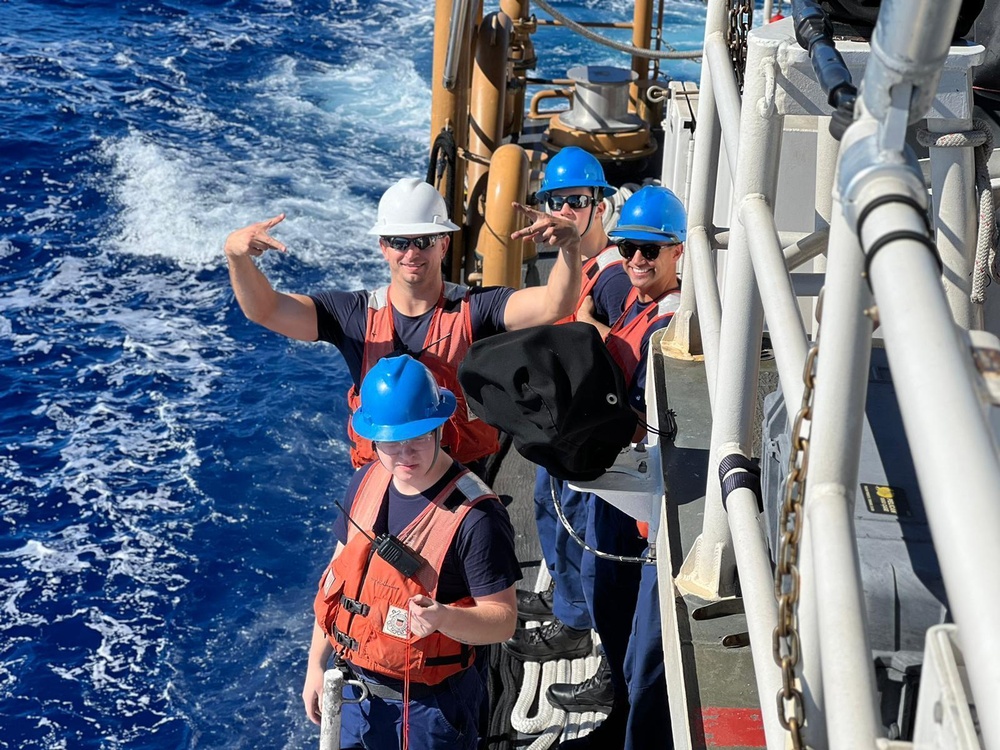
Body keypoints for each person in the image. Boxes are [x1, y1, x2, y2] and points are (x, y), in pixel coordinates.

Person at [223, 177, 583, 477]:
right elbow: (266, 310)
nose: (411, 253)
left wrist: (569, 248)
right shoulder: (353, 315)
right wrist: (236, 257)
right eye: (399, 242)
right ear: (383, 247)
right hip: (386, 477)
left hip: (458, 475)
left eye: (424, 241)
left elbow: (556, 303)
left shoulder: (477, 309)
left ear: (443, 245)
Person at [302, 354, 521, 749]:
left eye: (417, 438)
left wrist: (444, 618)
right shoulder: (365, 482)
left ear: (440, 428)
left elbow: (503, 621)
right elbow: (338, 578)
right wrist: (314, 667)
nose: (405, 456)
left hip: (427, 711)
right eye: (391, 442)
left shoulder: (477, 517)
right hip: (356, 695)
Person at [556, 185, 686, 750]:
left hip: (642, 503)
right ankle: (618, 714)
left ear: (678, 252)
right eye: (629, 247)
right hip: (616, 484)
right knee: (605, 598)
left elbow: (648, 421)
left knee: (644, 646)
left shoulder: (668, 326)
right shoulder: (634, 301)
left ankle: (630, 730)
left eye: (650, 251)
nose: (636, 259)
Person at [504, 148, 631, 711]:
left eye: (577, 201)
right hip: (564, 418)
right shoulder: (576, 267)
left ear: (598, 205)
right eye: (555, 201)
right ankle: (563, 597)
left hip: (591, 428)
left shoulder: (611, 276)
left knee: (579, 520)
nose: (565, 210)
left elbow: (620, 342)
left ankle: (576, 622)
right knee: (547, 503)